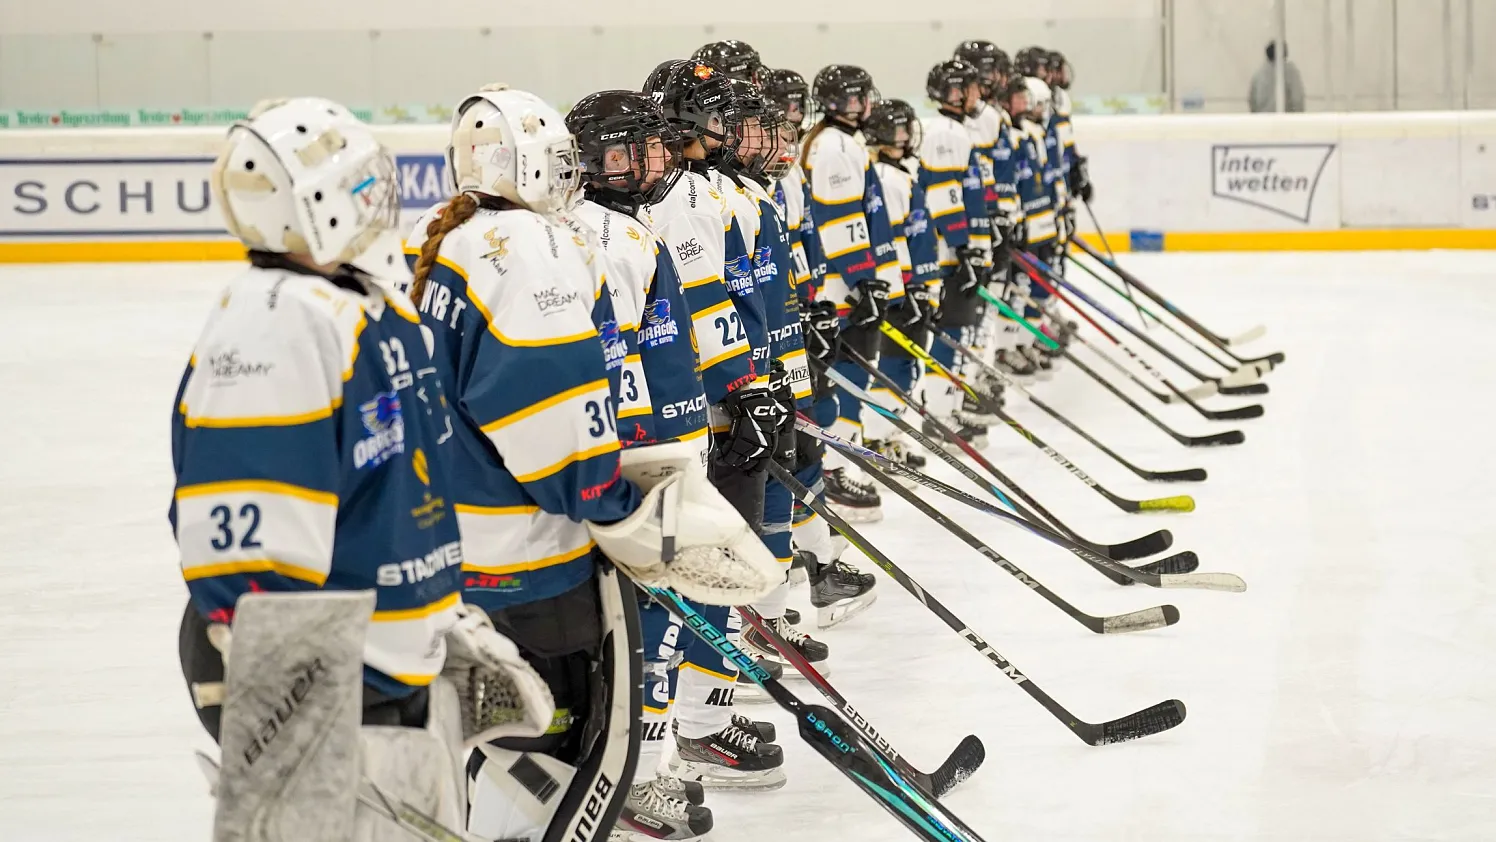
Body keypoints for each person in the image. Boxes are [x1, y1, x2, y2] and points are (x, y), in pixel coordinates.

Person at [404, 83, 779, 841]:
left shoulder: (445, 240)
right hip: (525, 551)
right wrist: (617, 504)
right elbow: (552, 420)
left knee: (498, 729)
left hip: (453, 542)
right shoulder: (531, 253)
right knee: (545, 735)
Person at [173, 97, 555, 839]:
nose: (379, 201)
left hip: (387, 659)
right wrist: (290, 711)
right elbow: (251, 556)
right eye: (359, 188)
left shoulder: (369, 307)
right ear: (314, 207)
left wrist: (438, 622)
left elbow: (399, 494)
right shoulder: (276, 322)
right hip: (325, 676)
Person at [642, 59, 792, 791]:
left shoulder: (706, 188)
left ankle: (703, 715)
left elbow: (746, 295)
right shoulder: (684, 196)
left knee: (720, 562)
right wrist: (745, 387)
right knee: (710, 565)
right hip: (699, 408)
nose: (743, 134)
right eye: (726, 118)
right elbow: (701, 305)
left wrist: (764, 378)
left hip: (714, 400)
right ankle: (697, 727)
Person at [801, 63, 899, 522]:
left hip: (847, 283)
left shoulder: (840, 143)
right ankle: (836, 470)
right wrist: (863, 280)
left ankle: (840, 463)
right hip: (842, 288)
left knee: (845, 379)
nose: (865, 105)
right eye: (857, 97)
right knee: (840, 381)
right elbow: (837, 220)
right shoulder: (833, 147)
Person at [919, 59, 997, 447]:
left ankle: (946, 405)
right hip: (947, 255)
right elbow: (943, 197)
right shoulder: (947, 133)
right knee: (950, 334)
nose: (978, 94)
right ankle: (937, 414)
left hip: (957, 252)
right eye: (971, 87)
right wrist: (964, 248)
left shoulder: (956, 130)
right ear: (956, 92)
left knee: (959, 332)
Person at [862, 97, 939, 466]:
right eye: (898, 128)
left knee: (905, 365)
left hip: (909, 286)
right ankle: (877, 437)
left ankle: (886, 433)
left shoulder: (900, 174)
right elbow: (889, 243)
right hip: (900, 289)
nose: (907, 135)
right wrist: (908, 289)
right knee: (895, 366)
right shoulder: (888, 179)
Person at [1249, 41, 1305, 113]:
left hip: (1263, 120)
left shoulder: (1258, 74)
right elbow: (1297, 99)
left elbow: (1252, 102)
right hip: (1284, 120)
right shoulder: (1290, 71)